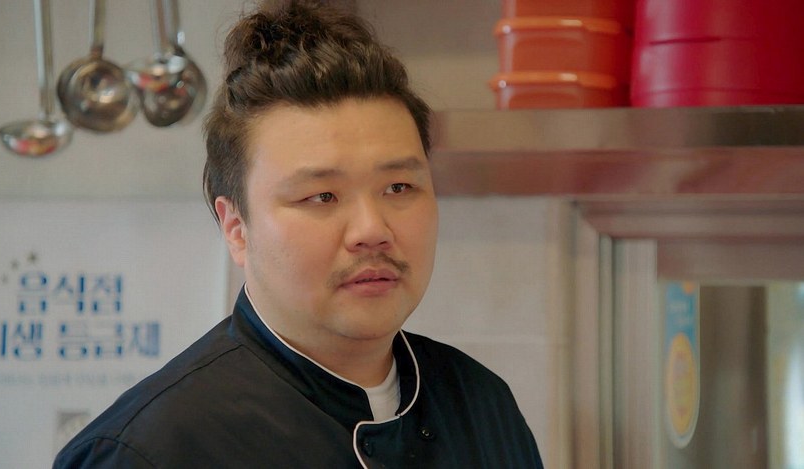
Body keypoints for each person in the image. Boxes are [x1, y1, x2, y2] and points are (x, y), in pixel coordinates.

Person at [54, 1, 543, 467]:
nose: (372, 230)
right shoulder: (146, 451)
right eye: (322, 196)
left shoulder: (482, 405)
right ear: (236, 228)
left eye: (399, 187)